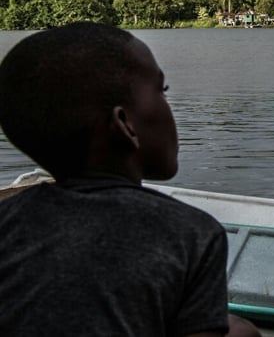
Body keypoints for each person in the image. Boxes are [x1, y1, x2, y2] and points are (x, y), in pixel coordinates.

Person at [0, 22, 260, 337]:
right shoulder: (190, 234)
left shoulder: (7, 221)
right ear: (124, 124)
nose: (169, 106)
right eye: (162, 91)